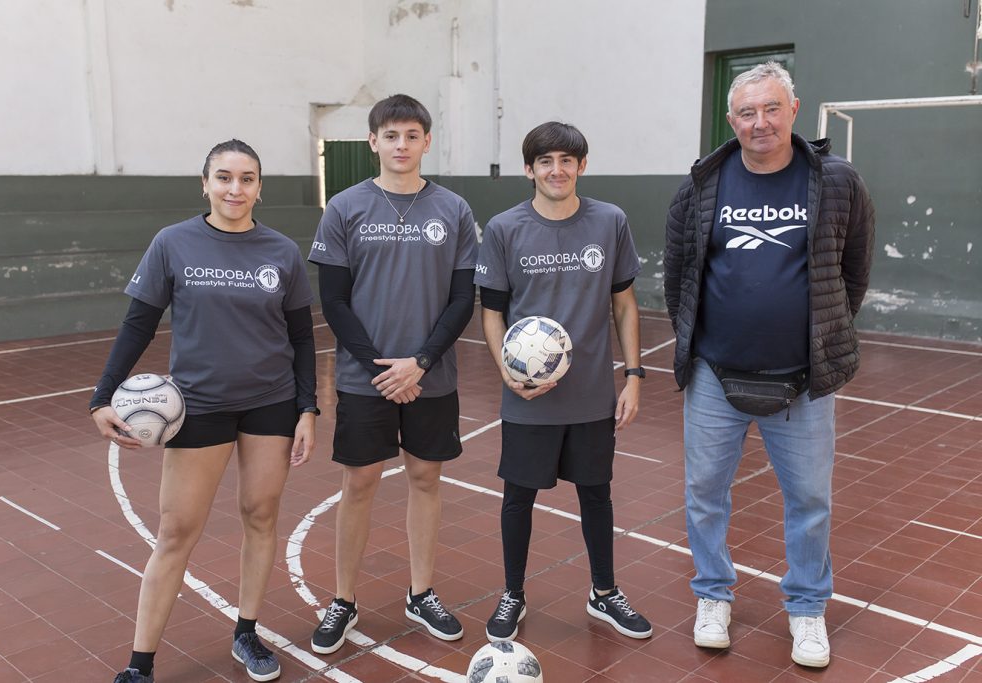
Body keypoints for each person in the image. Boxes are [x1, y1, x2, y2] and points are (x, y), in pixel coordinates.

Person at [663, 62, 875, 668]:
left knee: (810, 498)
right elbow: (678, 273)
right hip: (713, 374)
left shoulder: (836, 182)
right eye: (748, 112)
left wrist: (825, 329)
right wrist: (694, 342)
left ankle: (807, 609)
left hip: (803, 380)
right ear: (732, 121)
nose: (761, 122)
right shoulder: (703, 184)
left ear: (794, 109)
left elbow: (854, 269)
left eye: (772, 108)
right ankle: (712, 595)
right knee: (705, 493)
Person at [90, 139, 318, 683]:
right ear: (205, 183)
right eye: (224, 177)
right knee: (177, 532)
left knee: (261, 516)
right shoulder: (173, 243)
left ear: (261, 186)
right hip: (199, 407)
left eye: (246, 178)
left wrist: (307, 408)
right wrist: (102, 395)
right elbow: (138, 323)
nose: (234, 189)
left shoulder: (282, 251)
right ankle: (139, 666)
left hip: (271, 403)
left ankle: (246, 632)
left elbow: (303, 339)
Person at [307, 94, 478, 654]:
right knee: (358, 484)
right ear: (373, 142)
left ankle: (421, 591)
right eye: (390, 135)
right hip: (366, 377)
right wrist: (381, 367)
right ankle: (344, 599)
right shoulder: (345, 207)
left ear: (427, 142)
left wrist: (420, 361)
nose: (401, 145)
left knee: (425, 480)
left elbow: (461, 300)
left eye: (412, 135)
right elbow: (333, 301)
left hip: (431, 375)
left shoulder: (453, 209)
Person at [474, 121, 652, 643]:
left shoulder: (609, 222)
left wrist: (635, 375)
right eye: (546, 162)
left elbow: (623, 304)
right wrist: (506, 369)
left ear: (582, 166)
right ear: (529, 170)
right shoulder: (506, 228)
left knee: (597, 495)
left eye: (567, 161)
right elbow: (492, 313)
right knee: (518, 498)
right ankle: (512, 593)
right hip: (529, 396)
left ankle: (604, 592)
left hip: (593, 395)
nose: (557, 170)